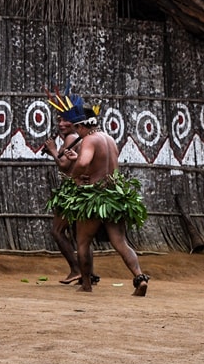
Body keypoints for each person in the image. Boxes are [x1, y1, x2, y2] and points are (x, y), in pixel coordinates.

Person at [45, 87, 150, 296]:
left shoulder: (89, 139)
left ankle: (86, 284)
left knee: (83, 242)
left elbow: (84, 162)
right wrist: (81, 163)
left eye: (78, 127)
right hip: (114, 196)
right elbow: (107, 165)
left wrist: (76, 176)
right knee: (121, 242)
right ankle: (139, 277)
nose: (78, 131)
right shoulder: (109, 139)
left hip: (94, 198)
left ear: (84, 125)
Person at [40, 113, 86, 285]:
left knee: (57, 231)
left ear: (75, 123)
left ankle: (76, 269)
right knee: (79, 234)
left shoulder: (71, 138)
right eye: (59, 120)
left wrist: (52, 149)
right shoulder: (74, 137)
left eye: (65, 120)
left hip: (71, 190)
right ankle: (89, 273)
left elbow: (64, 165)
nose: (61, 124)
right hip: (76, 189)